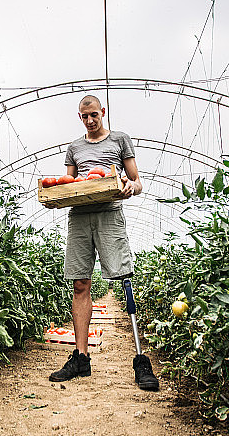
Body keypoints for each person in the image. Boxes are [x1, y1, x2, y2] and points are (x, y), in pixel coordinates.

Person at [46, 94, 159, 391]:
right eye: (84, 117)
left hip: (110, 213)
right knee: (80, 283)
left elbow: (137, 181)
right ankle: (81, 358)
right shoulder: (74, 148)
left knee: (123, 277)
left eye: (94, 115)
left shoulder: (120, 140)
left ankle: (140, 360)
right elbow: (67, 185)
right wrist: (53, 199)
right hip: (80, 217)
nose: (89, 120)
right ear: (79, 117)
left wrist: (128, 188)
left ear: (103, 112)